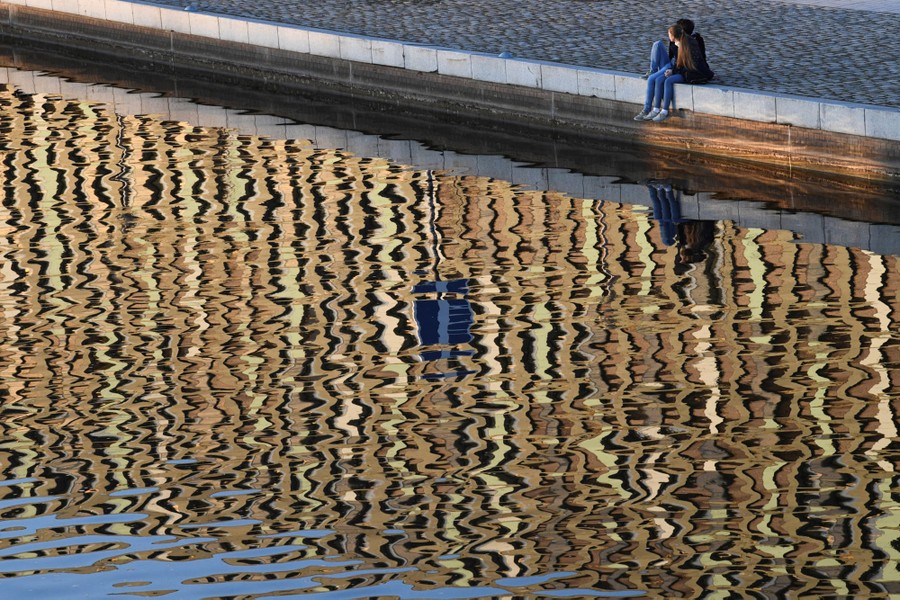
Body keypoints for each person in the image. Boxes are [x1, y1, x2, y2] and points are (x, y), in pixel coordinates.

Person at [634, 24, 714, 123]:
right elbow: (677, 62)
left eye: (669, 34)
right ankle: (655, 109)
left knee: (667, 81)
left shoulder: (687, 45)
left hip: (690, 73)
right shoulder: (677, 43)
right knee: (659, 79)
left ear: (673, 35)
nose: (668, 36)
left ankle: (664, 111)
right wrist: (673, 70)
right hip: (680, 69)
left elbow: (688, 66)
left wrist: (673, 71)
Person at [642, 18, 706, 79]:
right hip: (671, 67)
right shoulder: (674, 39)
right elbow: (670, 56)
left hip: (680, 70)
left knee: (667, 67)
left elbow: (701, 58)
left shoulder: (694, 41)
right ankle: (653, 71)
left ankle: (657, 74)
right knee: (657, 44)